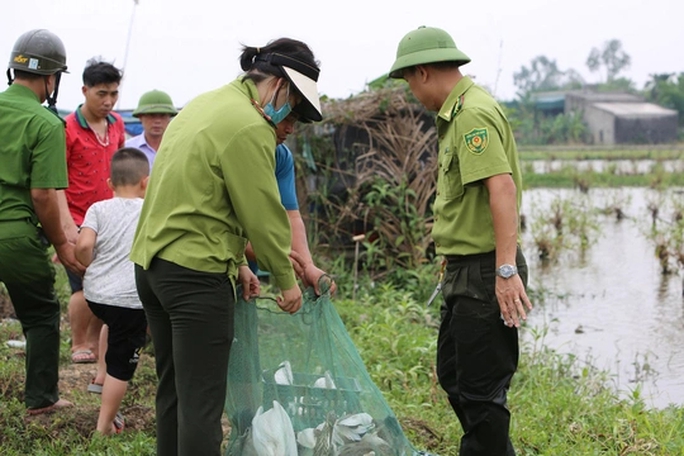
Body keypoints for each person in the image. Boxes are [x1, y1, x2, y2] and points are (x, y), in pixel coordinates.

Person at [130, 37, 323, 456]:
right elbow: (262, 213)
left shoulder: (204, 105)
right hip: (195, 280)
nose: (290, 127)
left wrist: (239, 264)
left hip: (152, 268)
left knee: (175, 392)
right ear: (279, 87)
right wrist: (286, 281)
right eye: (294, 113)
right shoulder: (250, 127)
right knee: (202, 403)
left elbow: (203, 201)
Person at [389, 26, 533, 456]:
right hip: (465, 267)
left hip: (488, 270)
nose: (413, 92)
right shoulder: (456, 115)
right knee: (454, 375)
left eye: (410, 82)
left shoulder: (471, 115)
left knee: (479, 390)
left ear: (424, 72)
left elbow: (501, 188)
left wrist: (505, 270)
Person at [0, 29, 81, 416]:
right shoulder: (47, 124)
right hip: (15, 237)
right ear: (52, 78)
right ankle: (41, 400)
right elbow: (43, 195)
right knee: (40, 317)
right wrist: (64, 245)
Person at [75, 148, 149, 435]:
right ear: (147, 182)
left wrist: (88, 264)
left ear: (109, 184)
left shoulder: (98, 208)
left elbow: (83, 247)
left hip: (96, 296)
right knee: (124, 363)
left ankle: (101, 375)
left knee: (112, 324)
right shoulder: (150, 211)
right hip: (130, 301)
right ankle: (104, 425)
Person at [58, 59, 126, 364]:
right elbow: (55, 181)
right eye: (101, 93)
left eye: (113, 93)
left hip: (110, 218)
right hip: (76, 219)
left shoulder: (117, 124)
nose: (108, 101)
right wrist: (63, 230)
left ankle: (97, 345)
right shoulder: (68, 128)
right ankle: (78, 343)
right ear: (85, 90)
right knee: (83, 283)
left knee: (105, 285)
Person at [245, 112, 337, 295]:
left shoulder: (281, 156)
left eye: (294, 122)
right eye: (286, 119)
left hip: (249, 278)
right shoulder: (240, 151)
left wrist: (307, 266)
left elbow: (291, 216)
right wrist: (286, 265)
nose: (291, 129)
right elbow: (228, 229)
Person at [125, 89, 178, 166]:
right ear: (140, 117)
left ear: (169, 118)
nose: (157, 121)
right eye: (151, 115)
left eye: (163, 115)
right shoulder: (128, 148)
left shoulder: (178, 148)